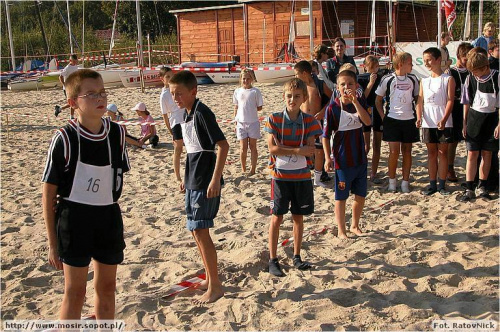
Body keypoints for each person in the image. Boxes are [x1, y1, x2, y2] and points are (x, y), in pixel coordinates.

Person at [42, 69, 130, 319]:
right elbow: (48, 194)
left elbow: (116, 180)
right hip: (74, 219)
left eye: (102, 92)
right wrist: (52, 243)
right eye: (90, 94)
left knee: (107, 288)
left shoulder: (117, 133)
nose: (99, 98)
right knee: (75, 291)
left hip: (108, 217)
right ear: (73, 103)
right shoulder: (65, 138)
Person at [169, 70, 229, 303]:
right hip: (193, 180)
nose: (176, 98)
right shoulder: (187, 114)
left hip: (205, 182)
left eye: (180, 94)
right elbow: (192, 151)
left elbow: (222, 146)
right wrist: (185, 177)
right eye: (173, 94)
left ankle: (215, 286)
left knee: (202, 232)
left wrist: (215, 179)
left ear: (193, 91)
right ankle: (209, 278)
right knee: (195, 231)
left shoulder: (203, 112)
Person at [264, 78, 322, 277]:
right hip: (280, 177)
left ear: (304, 98)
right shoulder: (274, 118)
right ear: (284, 97)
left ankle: (297, 256)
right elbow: (272, 148)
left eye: (297, 96)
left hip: (301, 177)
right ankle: (272, 259)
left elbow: (311, 149)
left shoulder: (310, 121)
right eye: (289, 96)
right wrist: (297, 149)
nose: (292, 100)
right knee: (276, 217)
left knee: (298, 217)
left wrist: (288, 149)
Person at [323, 70, 371, 239]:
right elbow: (325, 135)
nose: (346, 87)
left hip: (360, 158)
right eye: (343, 84)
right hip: (342, 161)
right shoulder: (333, 108)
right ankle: (341, 229)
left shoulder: (359, 103)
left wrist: (356, 102)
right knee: (341, 197)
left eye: (350, 84)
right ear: (337, 87)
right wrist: (327, 158)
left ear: (356, 86)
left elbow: (367, 122)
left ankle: (355, 225)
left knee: (360, 195)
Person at [375, 52, 420, 193]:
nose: (412, 65)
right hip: (392, 120)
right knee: (394, 152)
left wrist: (419, 116)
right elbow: (378, 100)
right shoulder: (387, 79)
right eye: (410, 63)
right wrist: (383, 117)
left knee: (407, 151)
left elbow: (418, 98)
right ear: (401, 64)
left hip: (409, 119)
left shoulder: (413, 79)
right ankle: (392, 182)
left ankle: (405, 182)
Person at [459, 48, 499, 201]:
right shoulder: (470, 79)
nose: (474, 74)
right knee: (472, 154)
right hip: (474, 119)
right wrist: (464, 123)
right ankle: (469, 187)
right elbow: (466, 103)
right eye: (472, 71)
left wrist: (499, 125)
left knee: (487, 154)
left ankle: (483, 186)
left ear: (486, 67)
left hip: (491, 119)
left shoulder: (497, 77)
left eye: (476, 71)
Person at [416, 47, 456, 196]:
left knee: (442, 153)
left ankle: (442, 185)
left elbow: (451, 100)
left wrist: (444, 119)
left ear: (438, 60)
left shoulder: (448, 79)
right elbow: (420, 100)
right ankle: (432, 184)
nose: (426, 63)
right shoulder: (424, 80)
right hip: (428, 120)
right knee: (431, 153)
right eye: (424, 60)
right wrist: (419, 117)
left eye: (429, 60)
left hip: (443, 119)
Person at [294, 61, 329, 187]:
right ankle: (304, 175)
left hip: (316, 121)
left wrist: (322, 111)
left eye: (297, 74)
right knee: (304, 149)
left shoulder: (319, 84)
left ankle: (318, 178)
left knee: (319, 150)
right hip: (302, 121)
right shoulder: (299, 86)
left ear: (304, 73)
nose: (295, 76)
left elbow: (332, 98)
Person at [448, 42, 474, 182]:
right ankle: (450, 168)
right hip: (455, 108)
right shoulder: (451, 72)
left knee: (471, 140)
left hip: (471, 108)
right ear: (459, 56)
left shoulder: (472, 71)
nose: (468, 62)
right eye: (466, 59)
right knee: (453, 141)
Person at [357, 55, 386, 182]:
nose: (374, 69)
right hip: (366, 112)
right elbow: (362, 98)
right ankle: (361, 170)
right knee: (366, 146)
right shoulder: (361, 79)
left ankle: (373, 173)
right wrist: (370, 82)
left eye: (376, 66)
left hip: (378, 111)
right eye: (372, 67)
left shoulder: (381, 78)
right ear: (365, 67)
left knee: (377, 145)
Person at [233, 68, 263, 175]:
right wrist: (235, 120)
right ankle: (243, 168)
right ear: (241, 79)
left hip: (253, 122)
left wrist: (251, 107)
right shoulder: (237, 91)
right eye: (244, 79)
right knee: (242, 148)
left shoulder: (255, 91)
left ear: (251, 79)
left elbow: (260, 107)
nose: (245, 81)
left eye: (248, 78)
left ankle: (253, 169)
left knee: (253, 147)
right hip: (241, 123)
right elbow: (236, 107)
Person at [159, 66, 184, 191]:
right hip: (176, 123)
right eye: (167, 77)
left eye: (171, 76)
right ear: (162, 79)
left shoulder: (178, 88)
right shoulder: (164, 95)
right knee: (178, 150)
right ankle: (178, 176)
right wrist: (170, 130)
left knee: (190, 148)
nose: (170, 78)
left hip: (186, 119)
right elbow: (165, 115)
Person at [55, 54, 79, 119]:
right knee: (73, 101)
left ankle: (60, 109)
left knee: (75, 101)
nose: (75, 62)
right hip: (67, 88)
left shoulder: (76, 66)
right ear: (70, 60)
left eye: (76, 60)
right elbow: (60, 76)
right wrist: (64, 84)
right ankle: (71, 116)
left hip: (74, 86)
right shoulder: (67, 68)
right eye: (74, 61)